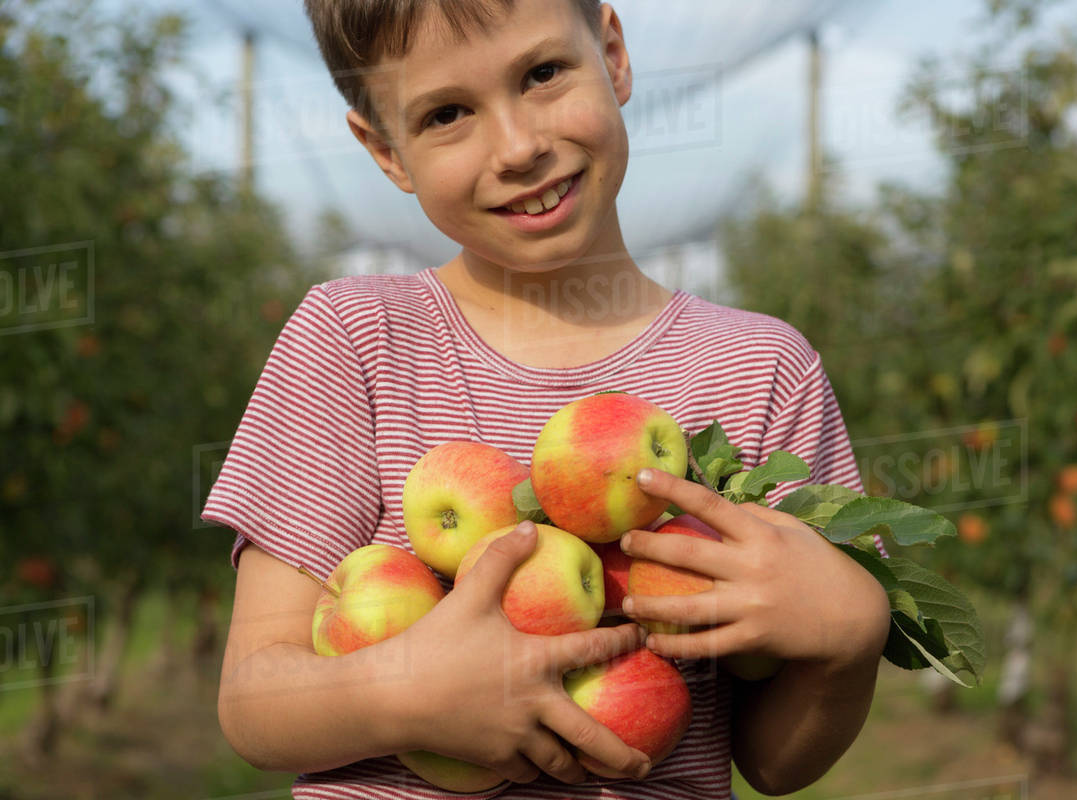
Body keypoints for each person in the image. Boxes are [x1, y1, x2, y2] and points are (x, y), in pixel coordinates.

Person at [201, 1, 893, 798]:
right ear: (386, 150)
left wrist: (848, 638)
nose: (519, 146)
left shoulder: (759, 369)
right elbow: (254, 702)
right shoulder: (356, 341)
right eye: (448, 113)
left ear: (613, 52)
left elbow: (773, 764)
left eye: (542, 74)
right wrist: (407, 693)